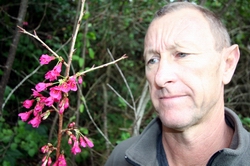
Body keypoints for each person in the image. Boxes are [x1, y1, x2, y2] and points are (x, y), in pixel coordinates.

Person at [105, 2, 250, 166]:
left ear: (227, 64)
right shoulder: (121, 159)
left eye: (182, 54)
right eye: (153, 60)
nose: (160, 77)